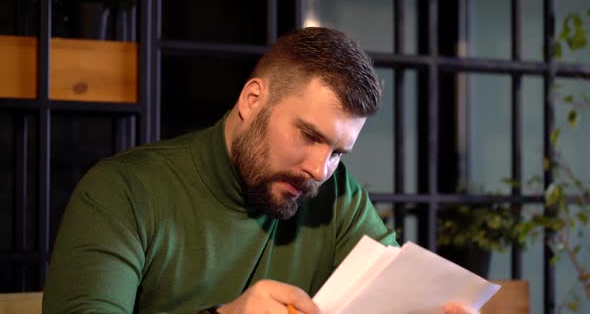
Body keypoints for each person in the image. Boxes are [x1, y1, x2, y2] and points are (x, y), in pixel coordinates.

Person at [43, 27, 477, 314]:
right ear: (253, 100)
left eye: (338, 152)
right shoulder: (124, 191)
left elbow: (394, 292)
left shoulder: (336, 195)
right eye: (308, 135)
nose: (319, 169)